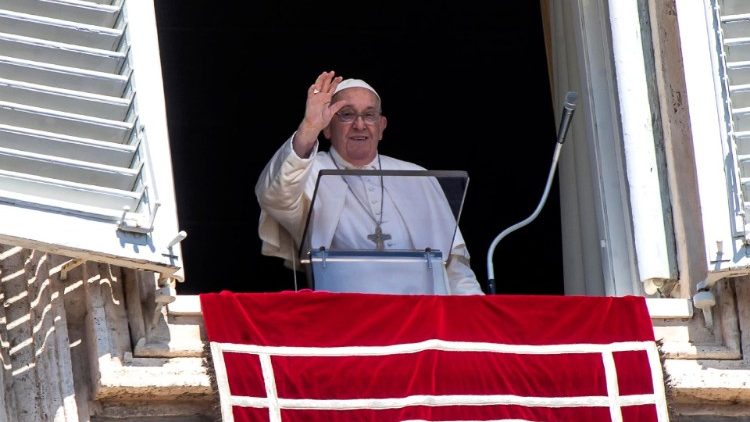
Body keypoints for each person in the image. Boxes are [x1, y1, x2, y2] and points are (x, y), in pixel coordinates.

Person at [255, 70, 484, 295]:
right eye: (346, 114)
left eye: (369, 114)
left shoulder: (418, 176)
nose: (360, 125)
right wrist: (308, 129)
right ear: (326, 127)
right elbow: (275, 195)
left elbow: (455, 268)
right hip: (346, 319)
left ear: (382, 126)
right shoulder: (309, 170)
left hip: (424, 321)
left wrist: (476, 317)